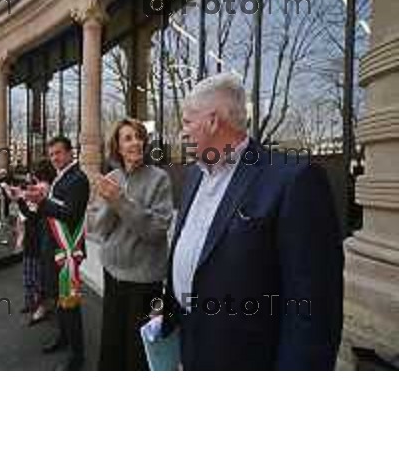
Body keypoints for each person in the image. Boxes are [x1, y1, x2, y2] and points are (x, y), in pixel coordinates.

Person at [159, 73, 344, 370]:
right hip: (190, 347)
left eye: (187, 121)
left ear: (213, 120)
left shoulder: (293, 179)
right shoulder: (194, 175)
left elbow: (313, 308)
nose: (182, 133)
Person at [92, 118, 174, 370]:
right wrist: (109, 201)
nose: (135, 142)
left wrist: (120, 201)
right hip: (113, 274)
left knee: (139, 351)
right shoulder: (111, 177)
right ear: (117, 146)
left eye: (139, 137)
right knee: (113, 343)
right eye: (127, 138)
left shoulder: (159, 178)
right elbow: (99, 228)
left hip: (145, 281)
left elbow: (156, 231)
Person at [24, 136, 90, 371]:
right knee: (60, 302)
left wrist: (42, 201)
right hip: (52, 248)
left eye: (59, 153)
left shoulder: (78, 179)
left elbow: (70, 213)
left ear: (71, 152)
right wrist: (30, 200)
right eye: (51, 154)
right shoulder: (61, 178)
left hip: (66, 251)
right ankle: (63, 339)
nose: (54, 158)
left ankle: (77, 355)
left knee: (70, 305)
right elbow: (49, 211)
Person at [6, 159, 56, 324]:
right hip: (36, 235)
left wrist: (18, 199)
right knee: (33, 272)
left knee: (35, 274)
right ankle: (34, 303)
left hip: (37, 236)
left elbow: (32, 215)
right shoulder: (46, 186)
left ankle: (40, 306)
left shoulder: (43, 188)